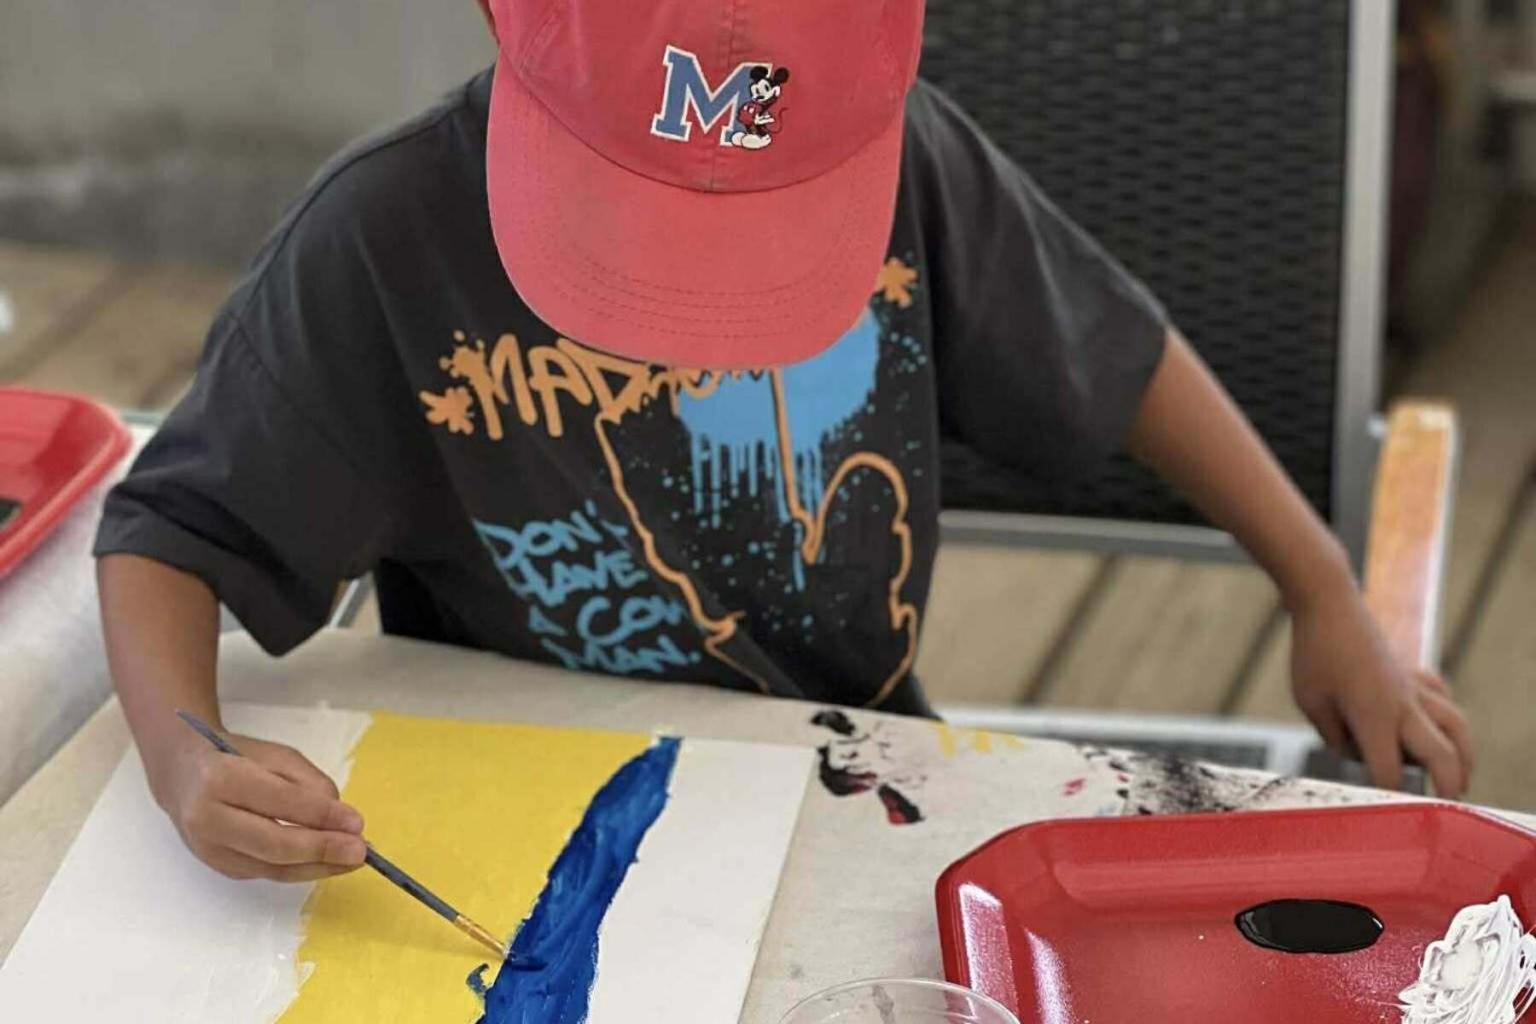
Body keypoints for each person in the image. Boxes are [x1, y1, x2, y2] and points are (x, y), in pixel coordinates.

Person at [94, 0, 1474, 884]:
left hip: (850, 791)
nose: (693, 317)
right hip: (518, 826)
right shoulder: (381, 244)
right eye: (638, 226)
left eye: (756, 241)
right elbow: (174, 532)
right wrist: (183, 751)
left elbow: (1120, 359)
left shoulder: (921, 168)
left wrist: (1321, 588)